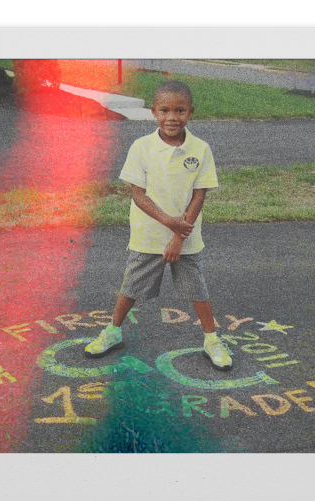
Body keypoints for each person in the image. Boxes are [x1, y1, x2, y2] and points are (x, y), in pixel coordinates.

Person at [84, 80, 233, 371]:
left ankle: (212, 340)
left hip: (186, 236)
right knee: (131, 286)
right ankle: (112, 332)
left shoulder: (200, 149)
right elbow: (138, 195)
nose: (172, 117)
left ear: (191, 112)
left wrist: (179, 235)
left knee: (197, 289)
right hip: (148, 234)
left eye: (180, 110)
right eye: (164, 110)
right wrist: (169, 223)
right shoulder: (141, 147)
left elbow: (199, 194)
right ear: (153, 112)